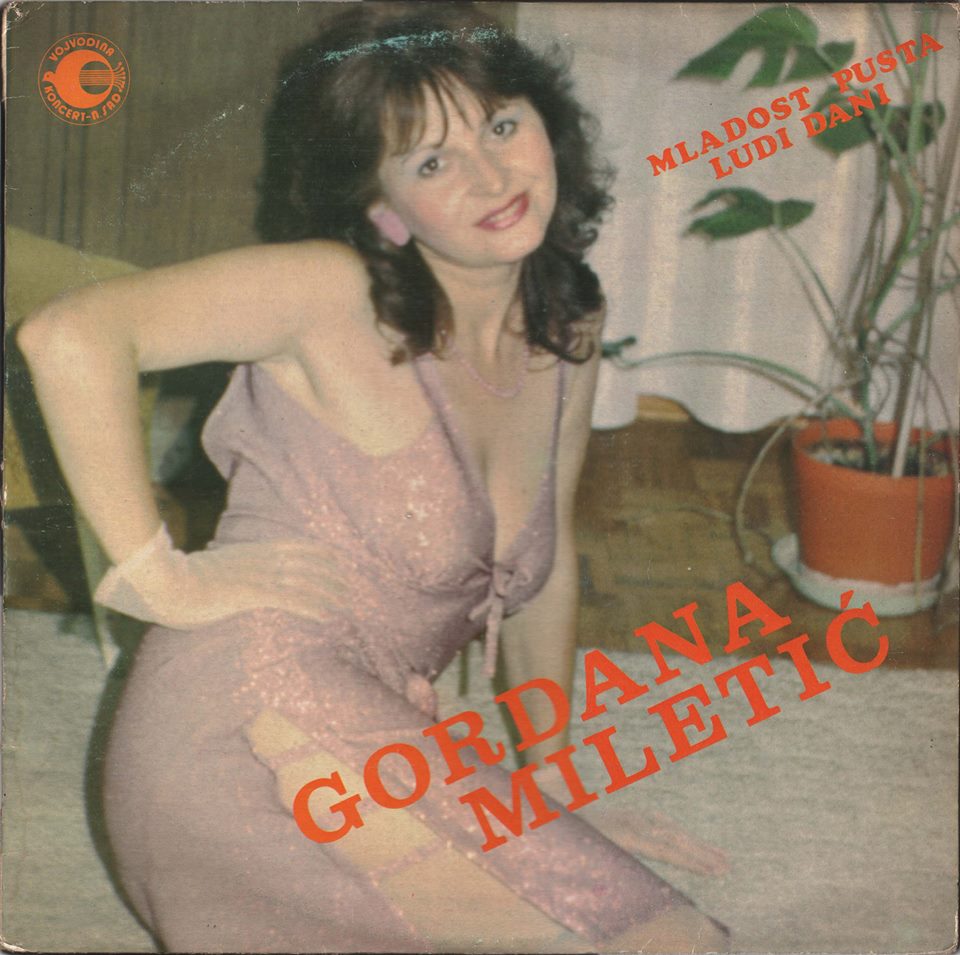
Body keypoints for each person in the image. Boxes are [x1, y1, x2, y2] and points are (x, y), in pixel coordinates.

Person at [19, 6, 727, 952]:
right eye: (432, 162)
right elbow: (68, 335)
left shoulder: (567, 328)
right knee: (635, 939)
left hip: (374, 722)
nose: (491, 177)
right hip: (244, 726)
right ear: (380, 205)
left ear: (548, 124)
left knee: (667, 928)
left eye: (502, 125)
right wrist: (156, 575)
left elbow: (547, 562)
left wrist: (549, 779)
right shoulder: (330, 291)